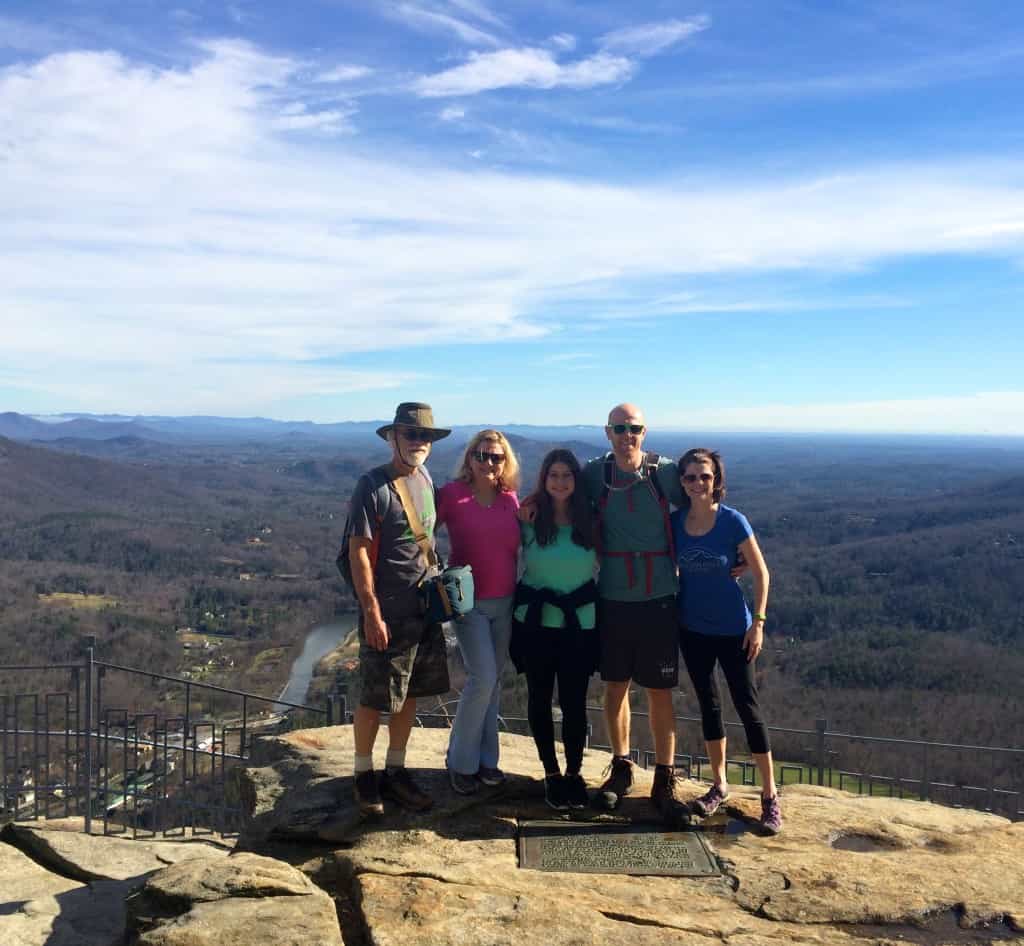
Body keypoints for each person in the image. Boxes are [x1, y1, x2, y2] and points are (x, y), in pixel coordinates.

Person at [580, 404, 691, 823]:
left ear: (645, 432)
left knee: (660, 690)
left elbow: (704, 497)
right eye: (620, 428)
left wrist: (733, 550)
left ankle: (664, 777)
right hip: (614, 594)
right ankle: (622, 767)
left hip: (660, 593)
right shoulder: (596, 473)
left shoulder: (664, 473)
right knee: (615, 685)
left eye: (635, 428)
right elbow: (562, 489)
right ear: (608, 432)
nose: (628, 435)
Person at [347, 402, 452, 816]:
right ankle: (362, 774)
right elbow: (358, 551)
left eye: (425, 436)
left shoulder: (425, 478)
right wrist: (371, 610)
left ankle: (395, 769)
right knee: (375, 698)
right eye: (410, 434)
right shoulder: (372, 486)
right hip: (388, 611)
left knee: (409, 695)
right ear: (393, 437)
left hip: (423, 608)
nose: (419, 442)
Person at [672, 447, 781, 835]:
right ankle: (719, 785)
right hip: (693, 629)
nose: (698, 483)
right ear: (681, 482)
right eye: (690, 477)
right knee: (709, 706)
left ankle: (769, 795)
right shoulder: (675, 522)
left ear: (717, 480)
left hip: (735, 629)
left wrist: (760, 623)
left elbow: (762, 572)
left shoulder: (733, 521)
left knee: (748, 707)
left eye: (705, 476)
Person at [511, 449, 599, 811]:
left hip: (580, 624)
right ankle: (551, 773)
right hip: (536, 624)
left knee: (575, 704)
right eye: (553, 475)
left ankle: (574, 773)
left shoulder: (591, 521)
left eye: (567, 475)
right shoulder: (528, 519)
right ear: (543, 480)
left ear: (576, 481)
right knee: (539, 700)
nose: (560, 482)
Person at [437, 429, 521, 794]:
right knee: (482, 677)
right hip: (465, 598)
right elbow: (421, 532)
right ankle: (460, 762)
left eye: (496, 457)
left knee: (494, 680)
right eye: (482, 455)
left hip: (506, 600)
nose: (489, 462)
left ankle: (488, 761)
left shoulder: (511, 500)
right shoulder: (451, 495)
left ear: (506, 463)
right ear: (469, 458)